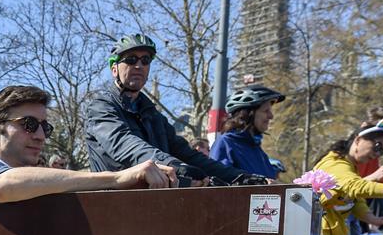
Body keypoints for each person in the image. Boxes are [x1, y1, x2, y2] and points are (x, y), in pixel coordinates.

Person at [0, 85, 177, 204]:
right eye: (29, 124)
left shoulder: (43, 180)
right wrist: (118, 178)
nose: (41, 136)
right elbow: (2, 186)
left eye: (45, 127)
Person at [85, 34, 257, 184]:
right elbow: (124, 144)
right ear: (114, 69)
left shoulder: (153, 115)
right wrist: (172, 165)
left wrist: (239, 177)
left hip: (153, 202)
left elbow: (189, 155)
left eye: (145, 60)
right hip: (110, 205)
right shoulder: (101, 107)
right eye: (131, 59)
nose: (139, 65)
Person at [209, 86, 285, 178]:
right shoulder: (226, 144)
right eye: (266, 111)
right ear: (248, 114)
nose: (271, 116)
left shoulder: (257, 149)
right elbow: (217, 185)